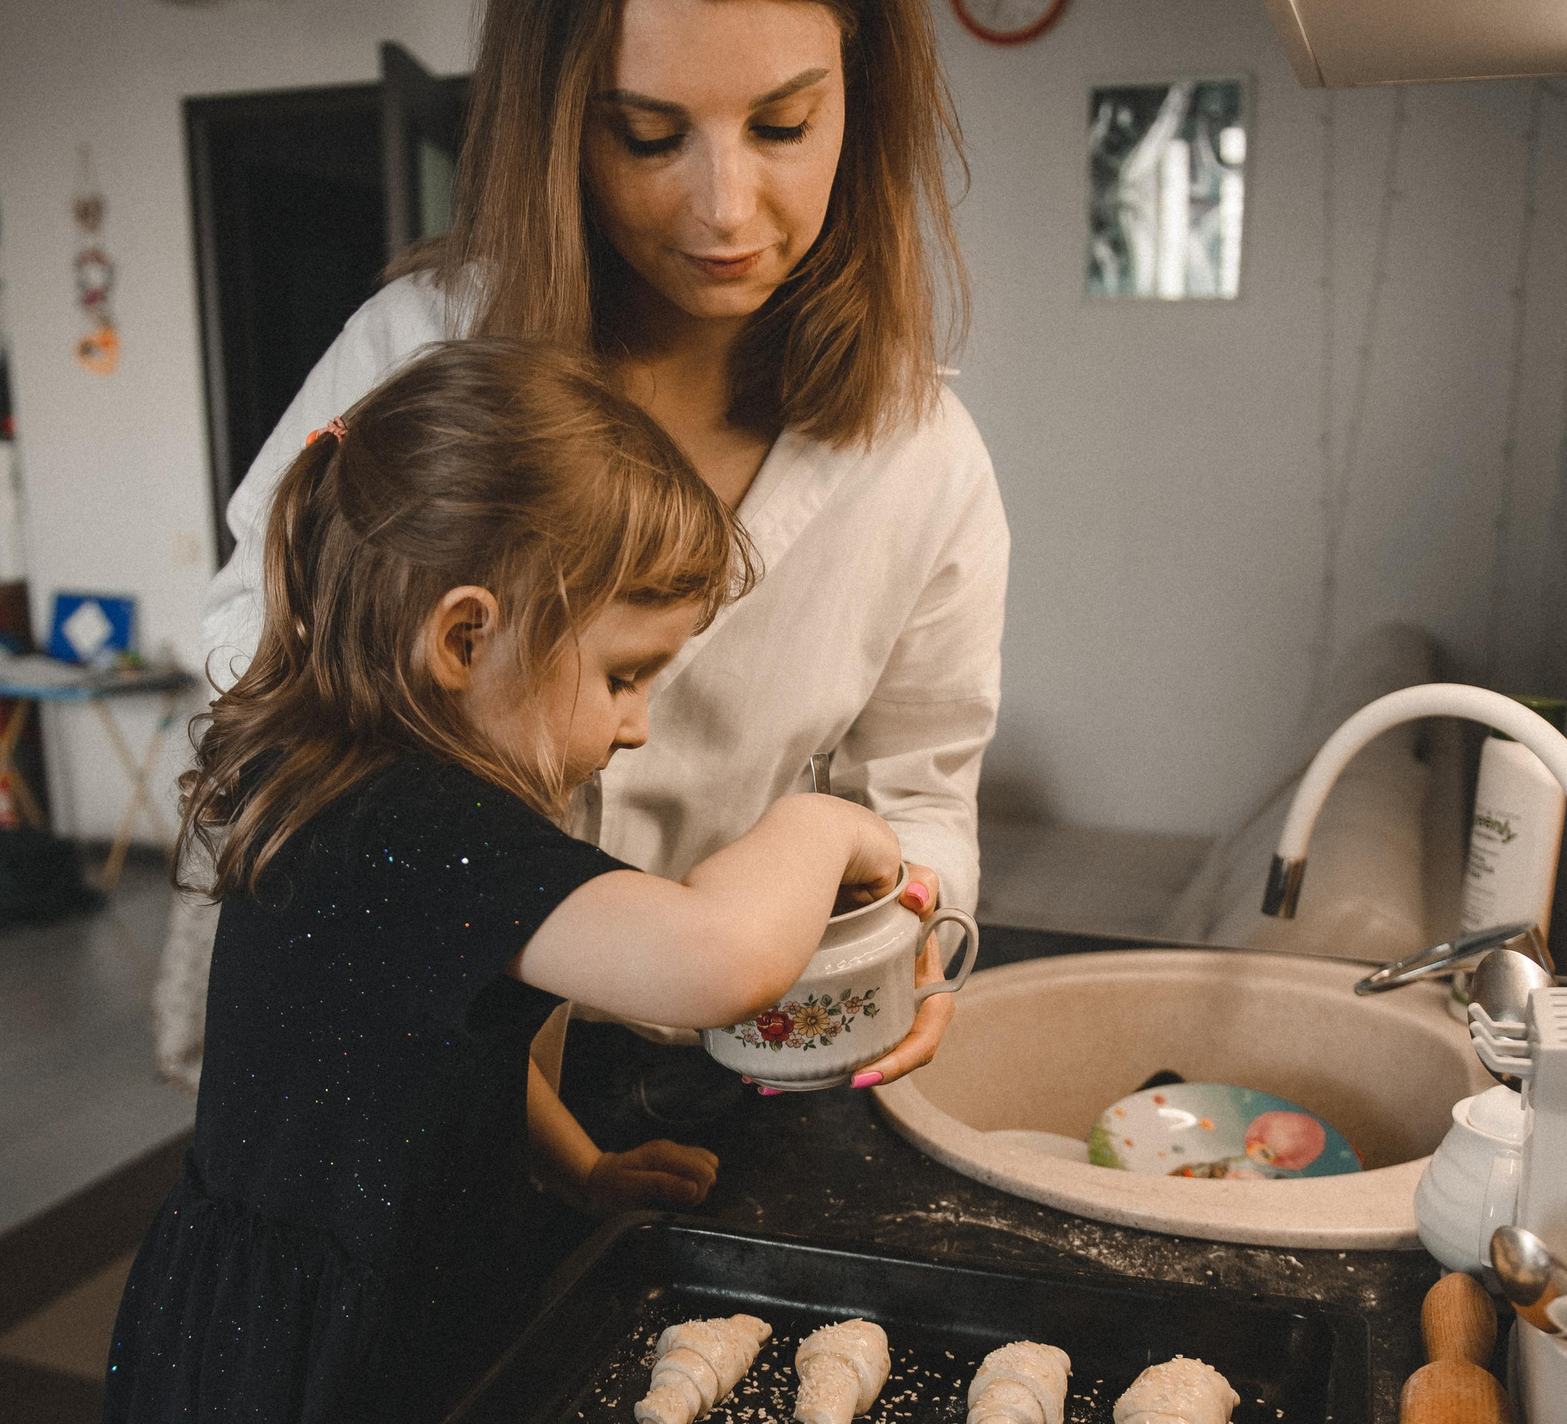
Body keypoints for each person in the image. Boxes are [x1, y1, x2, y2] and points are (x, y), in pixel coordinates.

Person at [97, 340, 903, 1424]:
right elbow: (715, 961)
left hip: (330, 1293)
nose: (638, 725)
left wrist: (579, 1166)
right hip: (309, 1359)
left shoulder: (369, 781)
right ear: (466, 635)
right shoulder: (413, 825)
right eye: (626, 674)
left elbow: (440, 1040)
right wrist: (819, 822)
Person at [158, 0, 1007, 1132]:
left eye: (785, 125)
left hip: (736, 1063)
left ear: (862, 95)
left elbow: (920, 796)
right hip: (407, 1053)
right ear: (556, 126)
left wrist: (914, 936)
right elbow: (251, 661)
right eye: (651, 137)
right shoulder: (419, 354)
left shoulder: (920, 457)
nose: (725, 206)